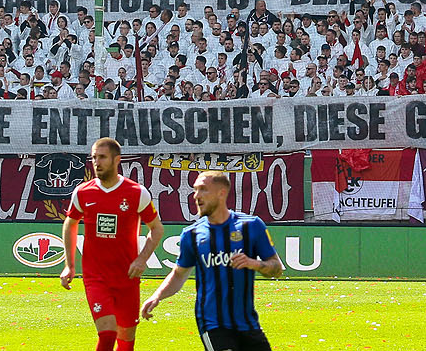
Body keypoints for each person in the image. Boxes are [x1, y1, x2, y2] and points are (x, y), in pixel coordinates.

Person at [142, 171, 284, 351]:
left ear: (221, 193)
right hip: (213, 325)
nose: (196, 196)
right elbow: (179, 274)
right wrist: (157, 296)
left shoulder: (251, 226)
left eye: (203, 190)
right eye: (195, 190)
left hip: (248, 324)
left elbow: (277, 268)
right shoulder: (191, 235)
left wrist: (253, 263)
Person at [60, 138, 165, 351]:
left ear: (116, 160)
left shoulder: (136, 192)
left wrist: (141, 258)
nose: (96, 162)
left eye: (102, 157)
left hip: (127, 277)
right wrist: (69, 265)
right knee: (107, 334)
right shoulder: (82, 192)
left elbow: (157, 229)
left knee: (126, 340)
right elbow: (70, 223)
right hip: (96, 276)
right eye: (94, 157)